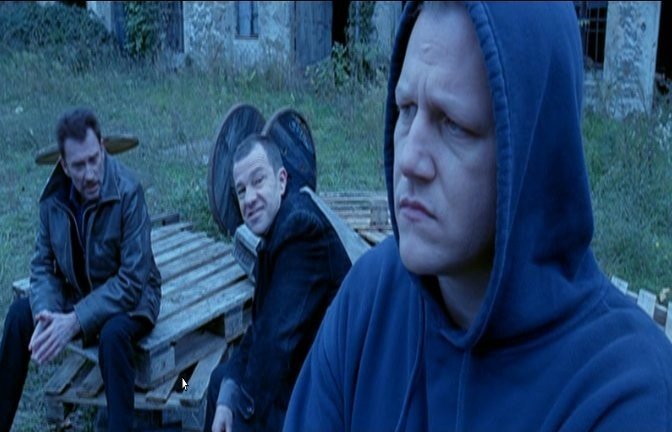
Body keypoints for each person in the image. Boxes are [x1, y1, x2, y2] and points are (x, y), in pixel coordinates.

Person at [285, 2, 672, 431]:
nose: (409, 159)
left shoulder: (628, 395)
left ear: (529, 151)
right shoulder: (371, 299)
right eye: (406, 109)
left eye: (453, 123)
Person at [0, 108, 162, 432]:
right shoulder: (53, 201)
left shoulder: (128, 191)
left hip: (132, 300)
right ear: (64, 165)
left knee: (113, 336)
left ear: (102, 148)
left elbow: (133, 280)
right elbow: (42, 266)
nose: (89, 174)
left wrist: (74, 321)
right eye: (78, 165)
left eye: (94, 160)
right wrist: (48, 314)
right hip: (81, 292)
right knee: (20, 315)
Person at [204, 134, 351, 432]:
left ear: (281, 181)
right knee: (220, 382)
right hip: (303, 364)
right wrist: (229, 395)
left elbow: (274, 346)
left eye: (258, 181)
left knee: (243, 408)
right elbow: (260, 328)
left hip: (332, 390)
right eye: (241, 190)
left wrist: (241, 415)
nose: (249, 199)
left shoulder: (299, 230)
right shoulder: (274, 236)